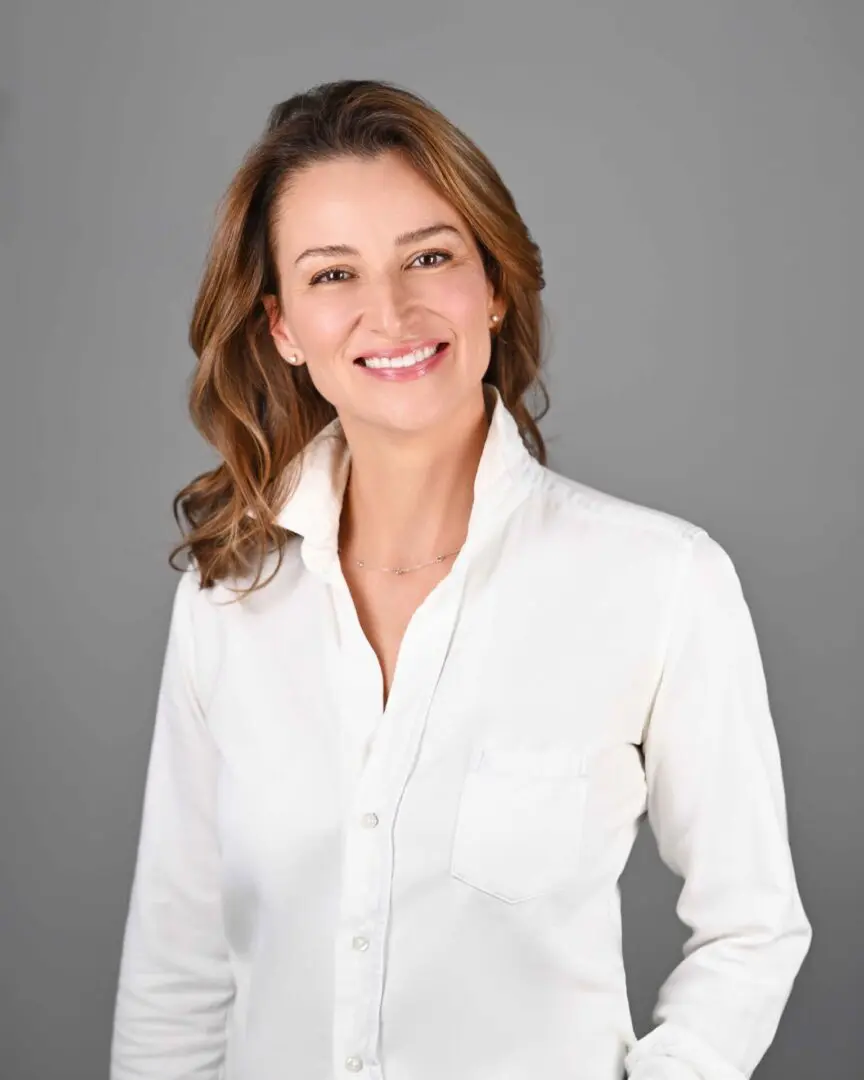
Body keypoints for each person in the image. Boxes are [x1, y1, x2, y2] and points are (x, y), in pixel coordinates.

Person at [110, 79, 812, 1080]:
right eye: (332, 274)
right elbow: (174, 974)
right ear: (282, 329)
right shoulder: (228, 603)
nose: (388, 312)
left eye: (428, 257)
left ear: (492, 284)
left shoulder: (660, 582)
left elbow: (753, 929)